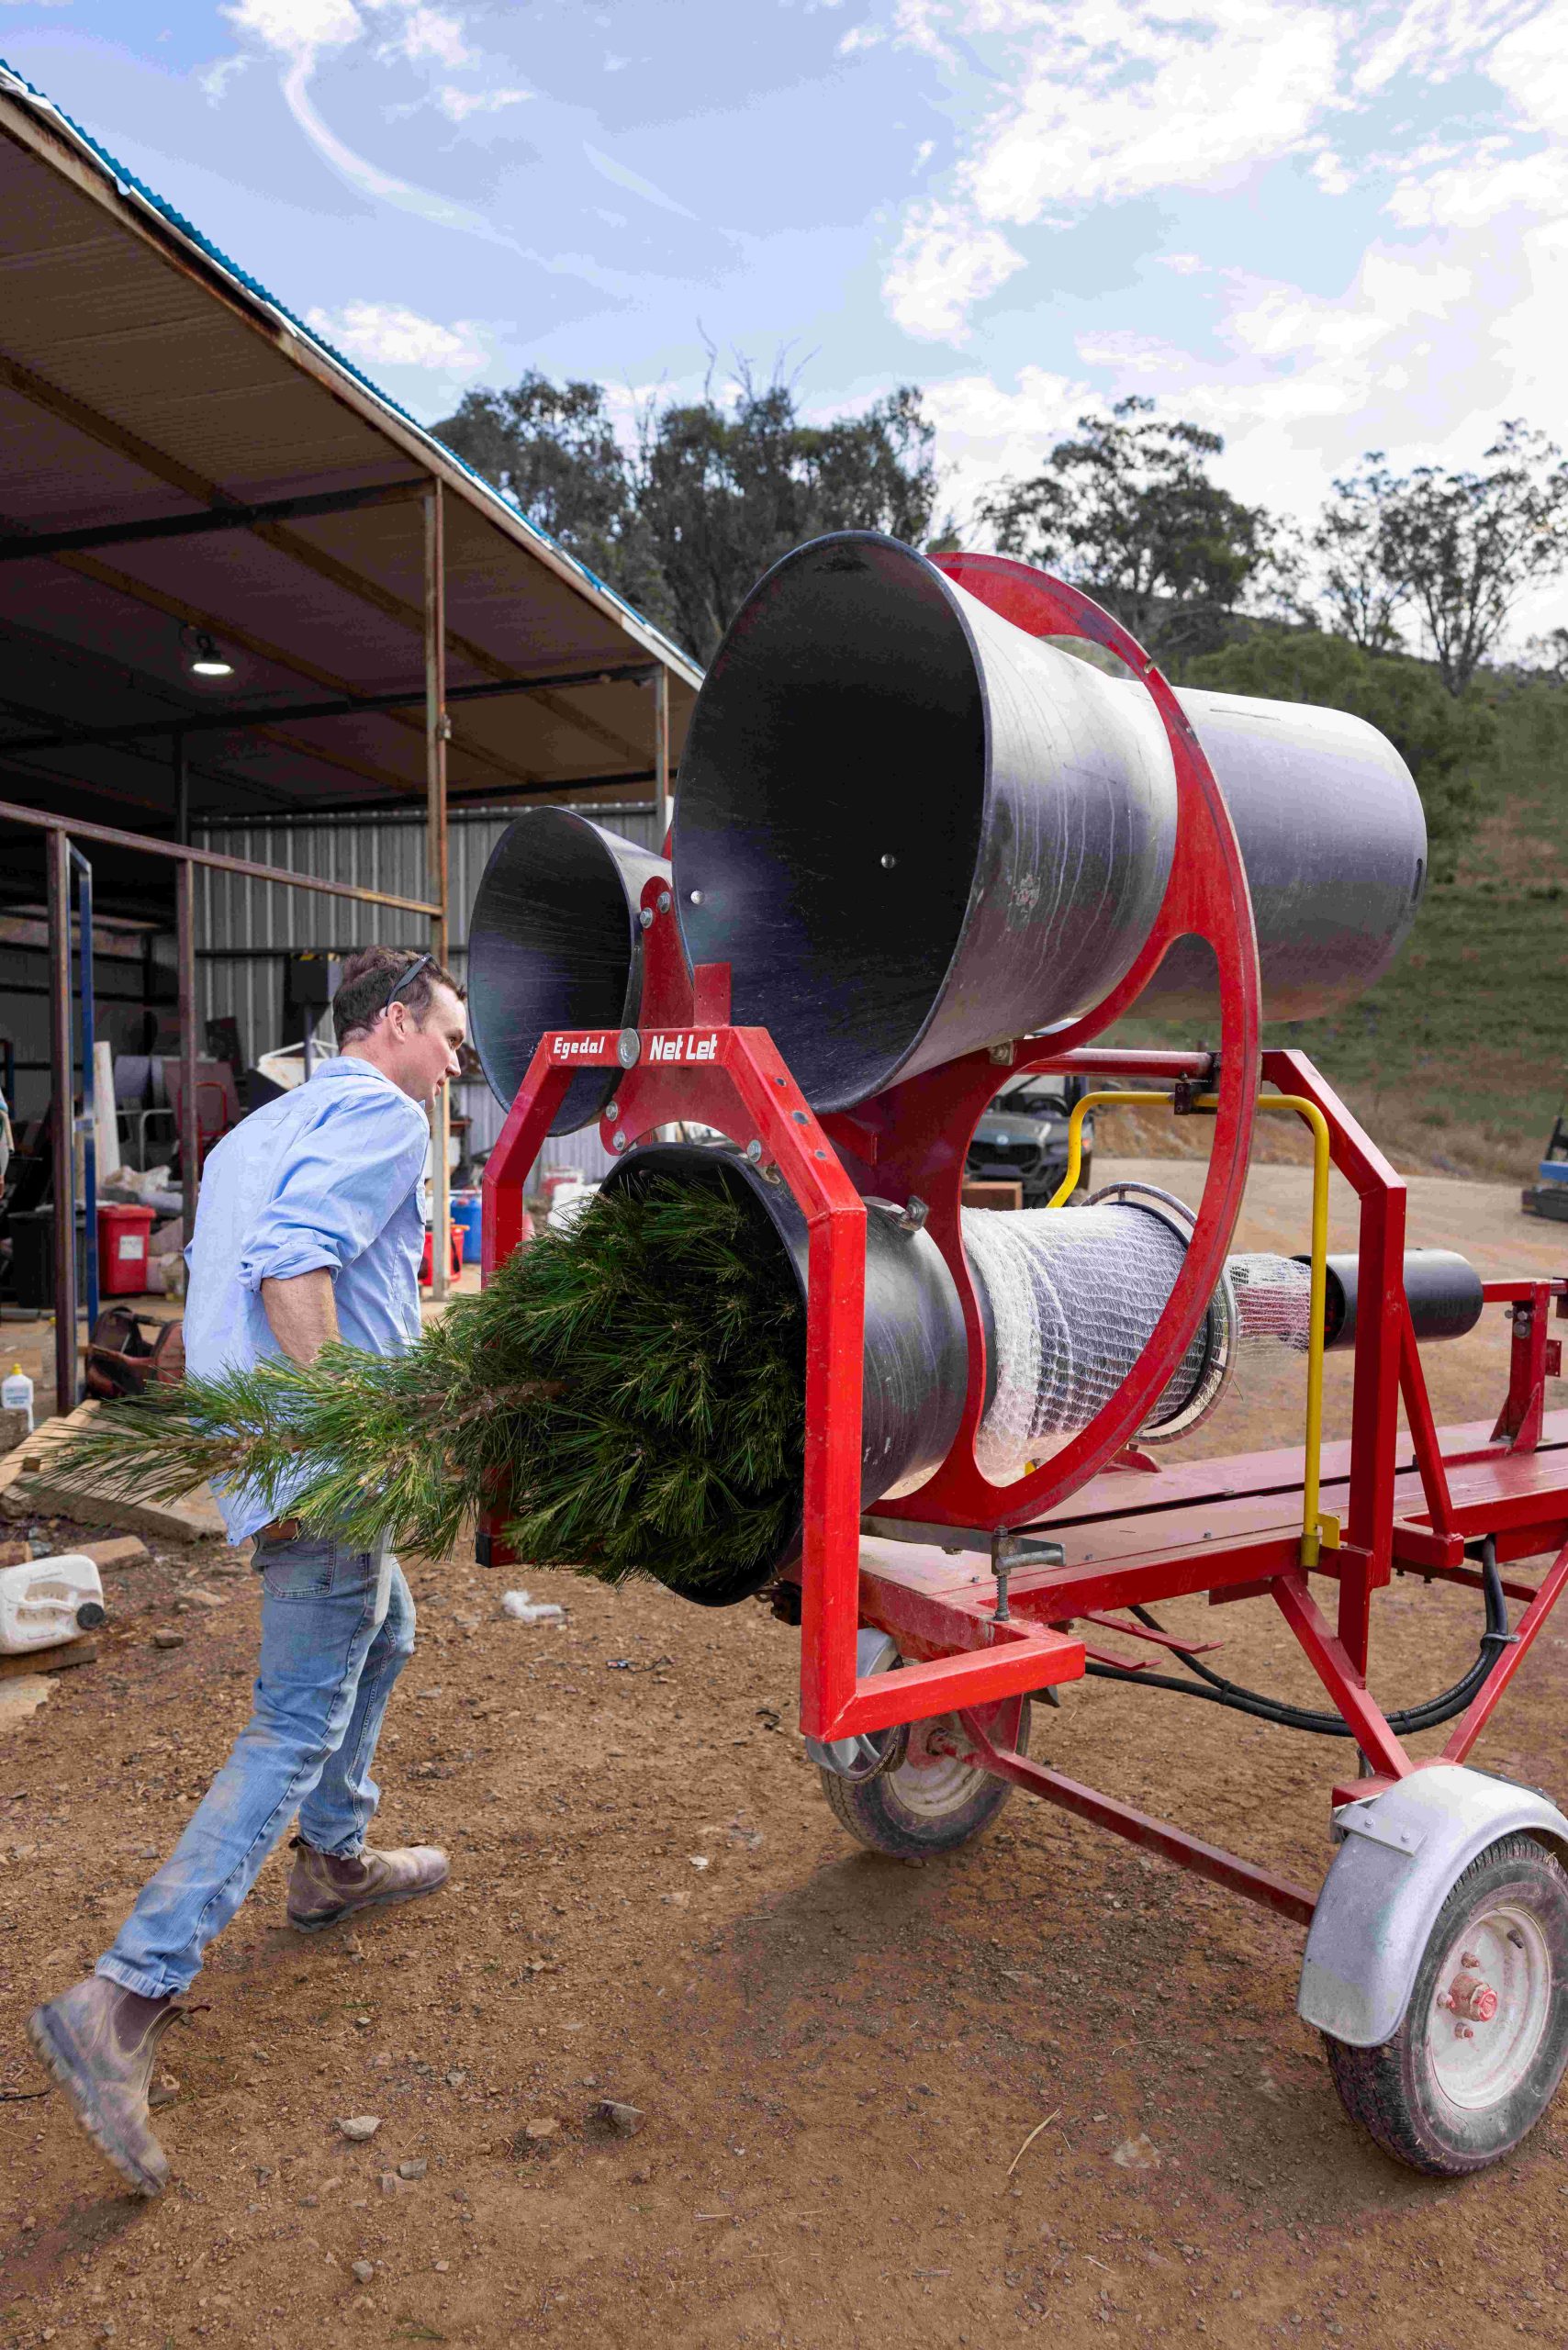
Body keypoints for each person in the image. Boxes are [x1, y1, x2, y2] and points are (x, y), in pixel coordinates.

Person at [28, 946, 468, 2196]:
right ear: (393, 1025)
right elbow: (291, 1267)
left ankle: (334, 1864)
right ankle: (121, 2000)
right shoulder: (382, 1115)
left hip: (257, 1448)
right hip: (317, 1456)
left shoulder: (256, 1133)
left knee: (385, 1634)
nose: (453, 1064)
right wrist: (351, 1434)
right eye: (448, 1036)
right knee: (293, 1720)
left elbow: (227, 1275)